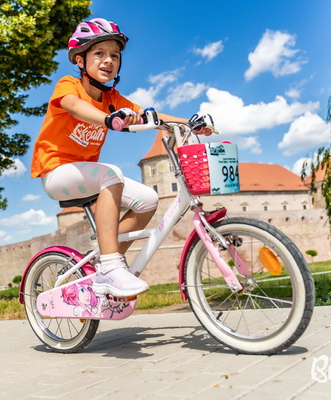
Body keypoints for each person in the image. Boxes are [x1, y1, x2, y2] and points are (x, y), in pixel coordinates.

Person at [31, 18, 213, 298]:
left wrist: (189, 123)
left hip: (87, 175)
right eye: (99, 53)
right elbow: (75, 106)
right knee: (110, 172)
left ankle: (105, 261)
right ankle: (110, 266)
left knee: (148, 200)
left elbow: (151, 116)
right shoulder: (69, 85)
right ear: (80, 60)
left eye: (114, 56)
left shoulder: (113, 99)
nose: (108, 60)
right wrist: (108, 118)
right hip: (56, 172)